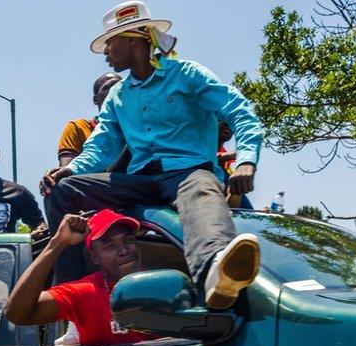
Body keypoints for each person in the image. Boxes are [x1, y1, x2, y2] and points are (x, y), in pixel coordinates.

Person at [40, 1, 264, 310]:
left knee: (201, 189)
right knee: (62, 189)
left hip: (188, 173)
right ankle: (71, 299)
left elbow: (240, 111)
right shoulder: (118, 96)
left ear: (133, 39)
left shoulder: (186, 74)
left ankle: (216, 272)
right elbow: (102, 144)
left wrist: (247, 161)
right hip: (140, 180)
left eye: (110, 43)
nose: (106, 52)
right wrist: (72, 169)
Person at [6, 210, 158, 346]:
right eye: (110, 246)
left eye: (129, 240)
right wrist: (58, 242)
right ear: (95, 258)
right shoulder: (85, 291)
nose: (124, 250)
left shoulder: (161, 284)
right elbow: (17, 313)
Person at [56, 73, 122, 167]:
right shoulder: (78, 127)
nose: (115, 91)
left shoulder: (136, 125)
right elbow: (65, 168)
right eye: (108, 87)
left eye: (119, 86)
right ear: (95, 100)